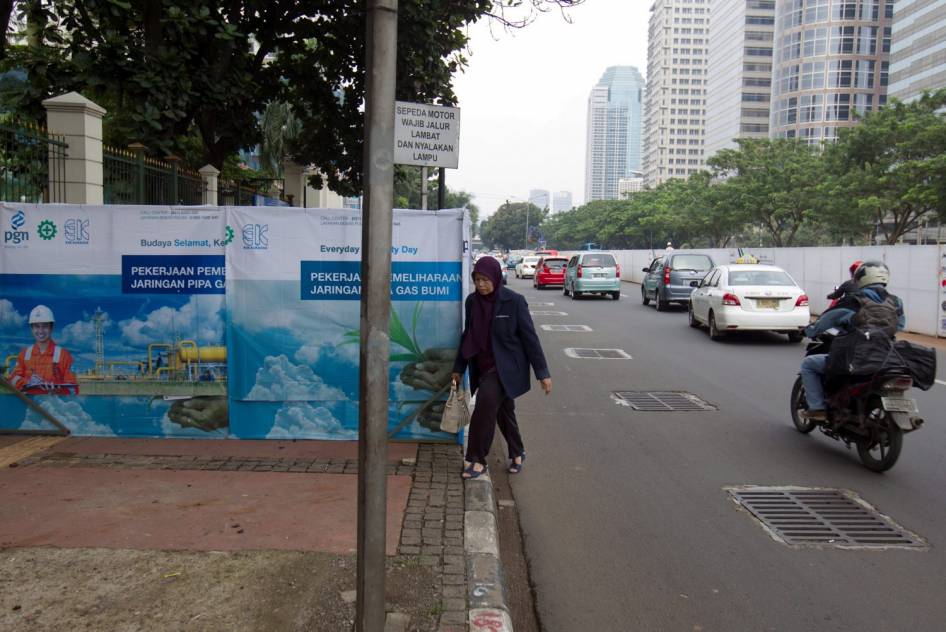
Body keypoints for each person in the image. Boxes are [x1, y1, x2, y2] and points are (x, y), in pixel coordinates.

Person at [451, 256, 552, 479]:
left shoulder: (514, 301)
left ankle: (477, 459)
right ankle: (518, 452)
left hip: (507, 368)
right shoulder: (472, 302)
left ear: (496, 278)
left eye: (485, 279)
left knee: (485, 406)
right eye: (477, 279)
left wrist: (542, 373)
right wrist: (459, 367)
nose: (481, 285)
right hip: (482, 366)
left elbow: (530, 339)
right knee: (504, 412)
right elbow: (468, 336)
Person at [800, 261, 904, 421]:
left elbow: (825, 322)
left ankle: (817, 409)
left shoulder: (852, 300)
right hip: (885, 358)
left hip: (854, 358)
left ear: (861, 278)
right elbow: (901, 325)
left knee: (809, 364)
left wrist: (808, 330)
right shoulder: (896, 302)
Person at [8, 305, 78, 395]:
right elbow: (13, 378)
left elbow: (73, 389)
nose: (40, 331)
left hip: (52, 407)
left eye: (45, 326)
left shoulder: (63, 355)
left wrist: (57, 390)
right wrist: (27, 383)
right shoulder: (24, 354)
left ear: (51, 328)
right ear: (31, 329)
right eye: (37, 326)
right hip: (28, 405)